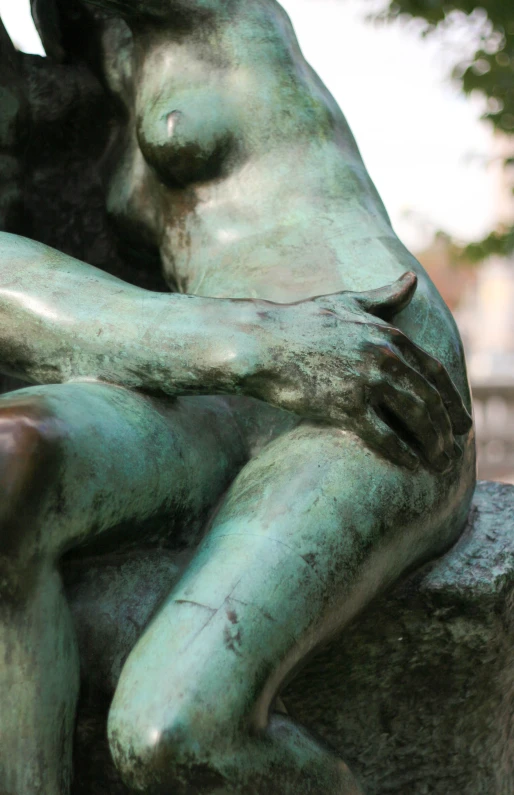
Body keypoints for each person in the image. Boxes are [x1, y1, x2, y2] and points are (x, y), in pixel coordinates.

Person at [0, 1, 474, 792]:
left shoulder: (201, 15)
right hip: (226, 381)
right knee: (13, 460)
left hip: (373, 363)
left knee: (174, 733)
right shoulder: (77, 74)